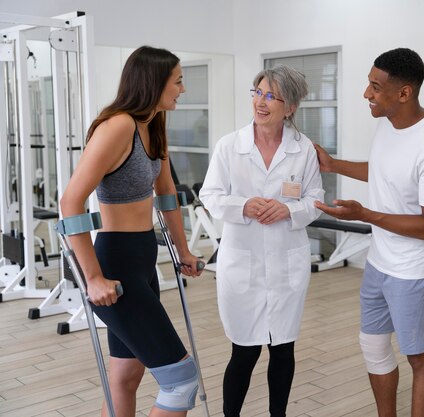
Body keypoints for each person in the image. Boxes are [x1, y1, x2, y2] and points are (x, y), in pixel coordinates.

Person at [60, 45, 204, 417]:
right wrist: (92, 278)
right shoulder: (118, 126)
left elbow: (167, 194)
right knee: (181, 380)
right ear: (154, 83)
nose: (182, 89)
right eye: (178, 81)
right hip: (115, 262)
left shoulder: (153, 124)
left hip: (144, 257)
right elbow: (71, 202)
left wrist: (183, 250)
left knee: (126, 376)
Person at [314, 48, 424, 417]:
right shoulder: (387, 124)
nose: (367, 94)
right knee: (372, 345)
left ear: (404, 93)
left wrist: (365, 214)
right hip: (380, 262)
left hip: (415, 270)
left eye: (375, 87)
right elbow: (381, 171)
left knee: (420, 356)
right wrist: (333, 165)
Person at [199, 64, 323, 417]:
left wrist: (289, 211)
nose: (261, 102)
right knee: (245, 350)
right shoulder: (229, 146)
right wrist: (244, 206)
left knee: (283, 348)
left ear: (291, 106)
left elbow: (315, 198)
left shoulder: (303, 149)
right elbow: (210, 194)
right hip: (243, 265)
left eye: (271, 96)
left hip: (287, 263)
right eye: (258, 93)